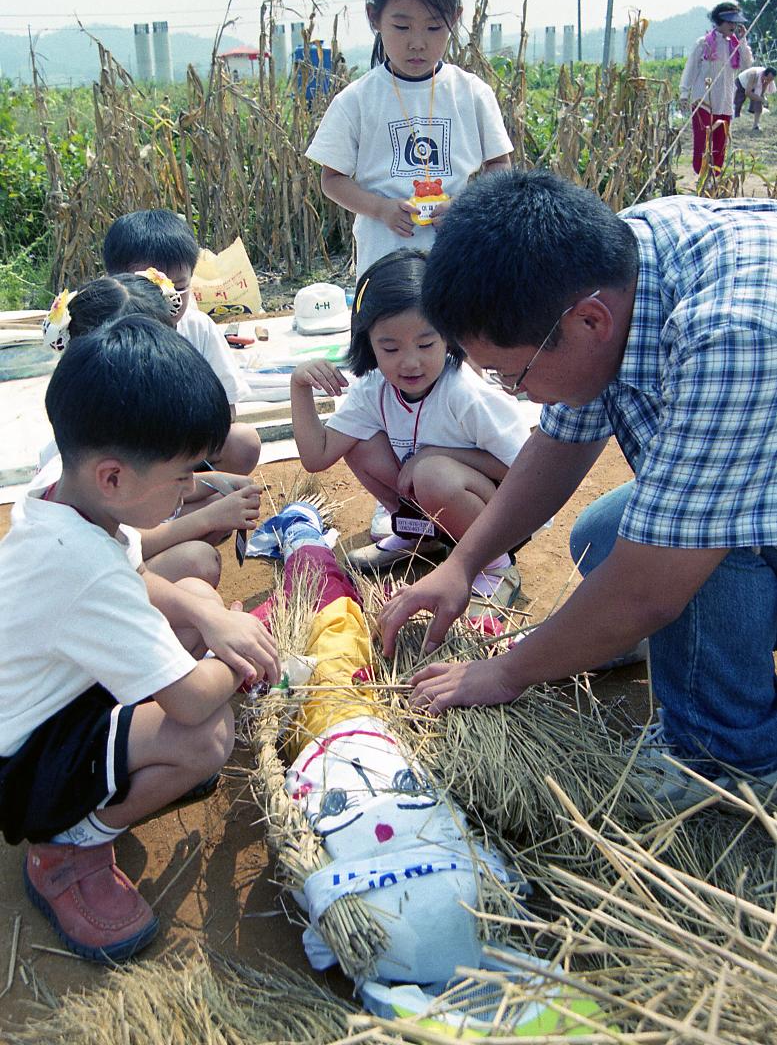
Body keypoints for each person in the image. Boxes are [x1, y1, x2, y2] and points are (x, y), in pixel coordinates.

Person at [379, 169, 777, 818]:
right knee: (602, 535)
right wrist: (460, 564)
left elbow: (650, 585)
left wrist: (504, 673)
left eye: (514, 377)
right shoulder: (614, 265)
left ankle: (726, 759)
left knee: (681, 558)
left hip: (740, 485)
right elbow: (558, 445)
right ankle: (694, 652)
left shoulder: (730, 333)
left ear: (589, 321)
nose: (518, 395)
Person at [0, 317, 279, 961]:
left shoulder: (62, 502)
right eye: (182, 477)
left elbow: (132, 567)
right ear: (114, 478)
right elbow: (188, 703)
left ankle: (108, 782)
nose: (191, 491)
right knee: (206, 735)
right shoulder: (81, 566)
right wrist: (238, 650)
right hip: (23, 768)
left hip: (49, 699)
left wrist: (210, 618)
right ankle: (70, 845)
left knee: (190, 582)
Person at [290, 249, 529, 604]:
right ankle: (420, 536)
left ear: (449, 335)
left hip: (502, 520)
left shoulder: (465, 392)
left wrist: (433, 456)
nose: (411, 362)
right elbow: (317, 455)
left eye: (426, 343)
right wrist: (299, 386)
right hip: (439, 507)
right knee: (358, 440)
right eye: (390, 348)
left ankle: (494, 566)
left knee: (432, 473)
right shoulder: (375, 389)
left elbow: (523, 468)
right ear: (367, 343)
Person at [306, 0, 513, 279]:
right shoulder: (357, 99)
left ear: (455, 19)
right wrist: (380, 208)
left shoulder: (472, 93)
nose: (417, 41)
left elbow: (499, 165)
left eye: (433, 27)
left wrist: (464, 207)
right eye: (402, 27)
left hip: (457, 259)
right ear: (375, 17)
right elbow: (332, 180)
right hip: (384, 264)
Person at [37, 273, 262, 586]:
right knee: (198, 565)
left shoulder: (106, 434)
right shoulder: (72, 479)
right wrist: (211, 517)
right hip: (106, 582)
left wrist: (216, 484)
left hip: (119, 556)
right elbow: (122, 551)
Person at [102, 209, 261, 475]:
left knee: (242, 442)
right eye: (152, 288)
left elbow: (227, 409)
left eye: (179, 288)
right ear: (116, 283)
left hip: (186, 449)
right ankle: (188, 506)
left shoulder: (197, 328)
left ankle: (184, 502)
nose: (169, 301)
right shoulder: (106, 336)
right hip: (131, 460)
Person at [679, 1, 753, 175]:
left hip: (725, 102)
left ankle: (715, 178)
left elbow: (747, 65)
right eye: (729, 22)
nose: (733, 26)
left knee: (721, 142)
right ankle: (701, 175)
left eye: (735, 23)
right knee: (702, 140)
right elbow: (690, 68)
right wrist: (684, 92)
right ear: (719, 22)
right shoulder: (704, 43)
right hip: (703, 100)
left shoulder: (735, 45)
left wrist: (743, 42)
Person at [733, 65, 776, 132]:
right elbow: (747, 92)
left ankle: (756, 125)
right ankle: (734, 120)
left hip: (754, 86)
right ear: (765, 75)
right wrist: (761, 99)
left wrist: (762, 98)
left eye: (771, 80)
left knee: (758, 101)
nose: (768, 81)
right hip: (741, 83)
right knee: (738, 103)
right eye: (768, 79)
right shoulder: (753, 74)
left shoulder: (768, 78)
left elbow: (761, 92)